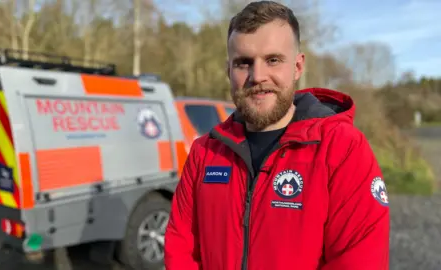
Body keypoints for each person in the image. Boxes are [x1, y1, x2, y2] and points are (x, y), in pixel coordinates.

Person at [164, 1, 390, 269]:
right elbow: (181, 251)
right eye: (243, 63)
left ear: (297, 66)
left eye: (273, 60)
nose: (258, 76)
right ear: (228, 71)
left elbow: (360, 260)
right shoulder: (205, 153)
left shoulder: (342, 149)